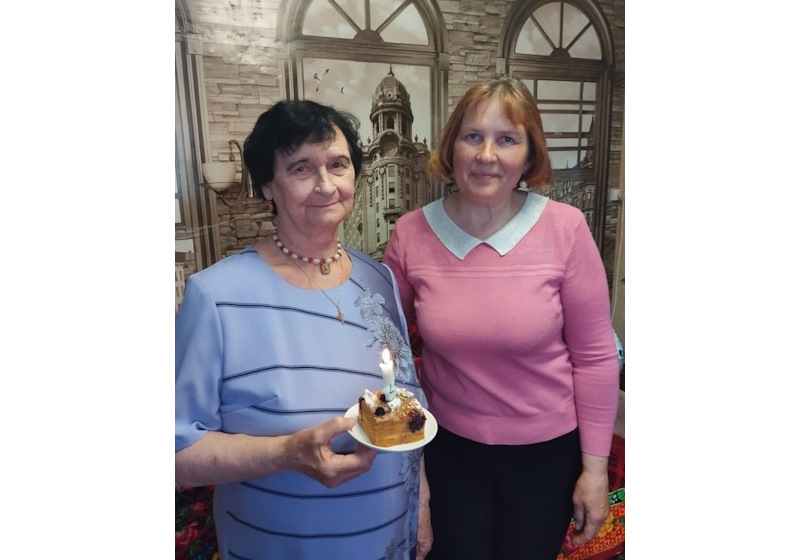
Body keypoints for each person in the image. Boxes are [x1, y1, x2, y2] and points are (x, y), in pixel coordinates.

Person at [175, 99, 432, 560]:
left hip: (387, 540)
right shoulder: (216, 296)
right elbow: (177, 453)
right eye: (301, 168)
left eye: (338, 165)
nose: (326, 185)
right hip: (280, 545)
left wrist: (422, 507)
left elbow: (406, 406)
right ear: (268, 186)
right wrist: (286, 453)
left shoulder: (379, 280)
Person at [382, 76, 619, 560]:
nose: (486, 154)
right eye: (473, 136)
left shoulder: (566, 230)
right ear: (452, 148)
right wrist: (408, 458)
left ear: (529, 156)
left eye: (507, 139)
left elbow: (595, 357)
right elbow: (387, 350)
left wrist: (595, 471)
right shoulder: (410, 234)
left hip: (546, 457)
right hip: (447, 451)